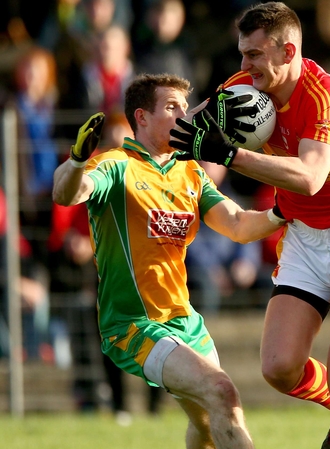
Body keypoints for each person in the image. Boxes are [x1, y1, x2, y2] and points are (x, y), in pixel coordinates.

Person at [168, 3, 330, 449]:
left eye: (254, 54)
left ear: (287, 51)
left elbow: (310, 178)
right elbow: (186, 129)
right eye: (242, 53)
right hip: (304, 237)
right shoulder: (241, 88)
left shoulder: (327, 95)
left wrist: (227, 154)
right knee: (278, 369)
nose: (244, 64)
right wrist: (139, 151)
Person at [51, 73, 282, 448]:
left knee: (207, 421)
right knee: (222, 391)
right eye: (172, 107)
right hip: (134, 324)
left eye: (184, 107)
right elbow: (68, 194)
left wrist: (283, 211)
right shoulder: (116, 164)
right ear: (141, 117)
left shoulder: (189, 171)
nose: (183, 115)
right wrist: (77, 161)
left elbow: (238, 225)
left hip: (184, 320)